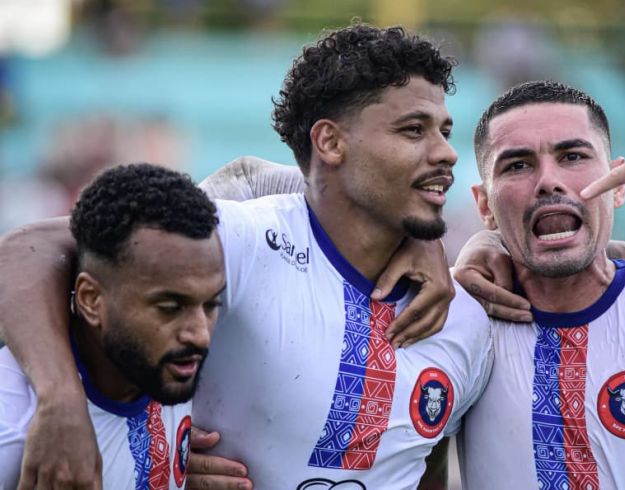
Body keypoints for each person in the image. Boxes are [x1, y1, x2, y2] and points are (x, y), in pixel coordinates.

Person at [0, 24, 493, 489]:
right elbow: (29, 249)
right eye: (414, 131)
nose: (446, 152)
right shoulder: (238, 242)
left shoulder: (469, 317)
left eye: (445, 132)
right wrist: (62, 401)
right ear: (329, 141)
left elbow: (424, 460)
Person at [451, 81, 625, 489]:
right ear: (485, 205)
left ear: (618, 185)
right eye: (517, 165)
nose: (548, 181)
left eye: (573, 156)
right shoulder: (457, 322)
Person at [0, 163, 226, 488]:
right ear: (92, 300)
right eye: (169, 308)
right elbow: (24, 249)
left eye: (211, 305)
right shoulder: (14, 431)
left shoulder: (159, 366)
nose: (200, 335)